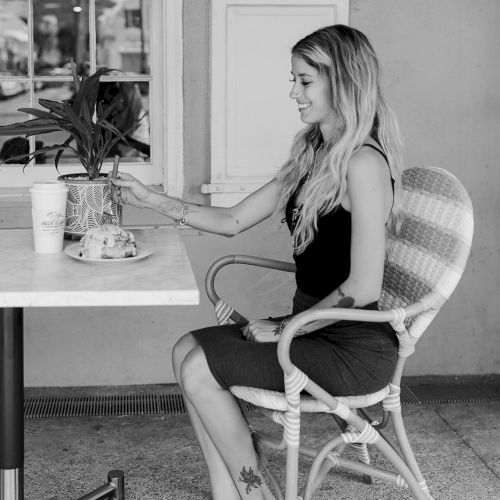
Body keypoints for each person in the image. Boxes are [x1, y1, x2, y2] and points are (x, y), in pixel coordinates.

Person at [109, 24, 403, 500]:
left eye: (305, 81)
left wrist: (291, 327)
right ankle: (227, 492)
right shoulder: (314, 153)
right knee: (186, 349)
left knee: (201, 367)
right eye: (294, 80)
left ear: (344, 82)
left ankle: (254, 495)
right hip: (313, 328)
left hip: (350, 345)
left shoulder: (363, 164)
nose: (294, 93)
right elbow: (231, 219)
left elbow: (365, 286)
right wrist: (150, 198)